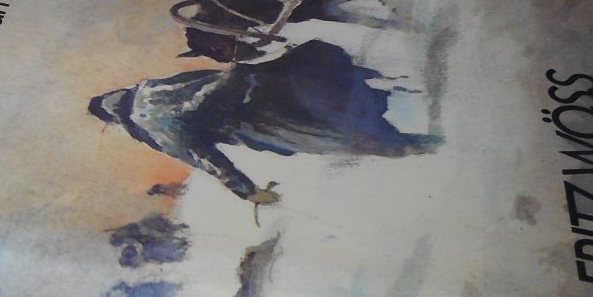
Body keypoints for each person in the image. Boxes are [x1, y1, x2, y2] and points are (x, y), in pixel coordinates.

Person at [88, 39, 436, 202]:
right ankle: (407, 92)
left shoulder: (151, 125)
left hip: (258, 118)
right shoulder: (150, 87)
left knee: (345, 139)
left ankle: (419, 147)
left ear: (114, 119)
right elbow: (209, 80)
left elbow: (204, 157)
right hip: (256, 81)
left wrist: (248, 191)